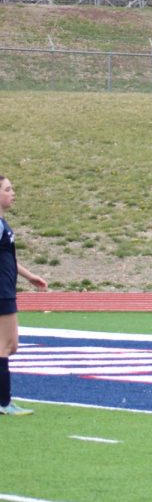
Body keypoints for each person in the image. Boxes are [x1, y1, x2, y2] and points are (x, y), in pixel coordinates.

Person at [0, 176, 48, 416]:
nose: (13, 193)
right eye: (8, 189)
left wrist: (30, 276)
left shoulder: (3, 223)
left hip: (6, 290)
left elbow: (9, 259)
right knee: (6, 345)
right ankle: (3, 402)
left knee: (10, 345)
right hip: (1, 293)